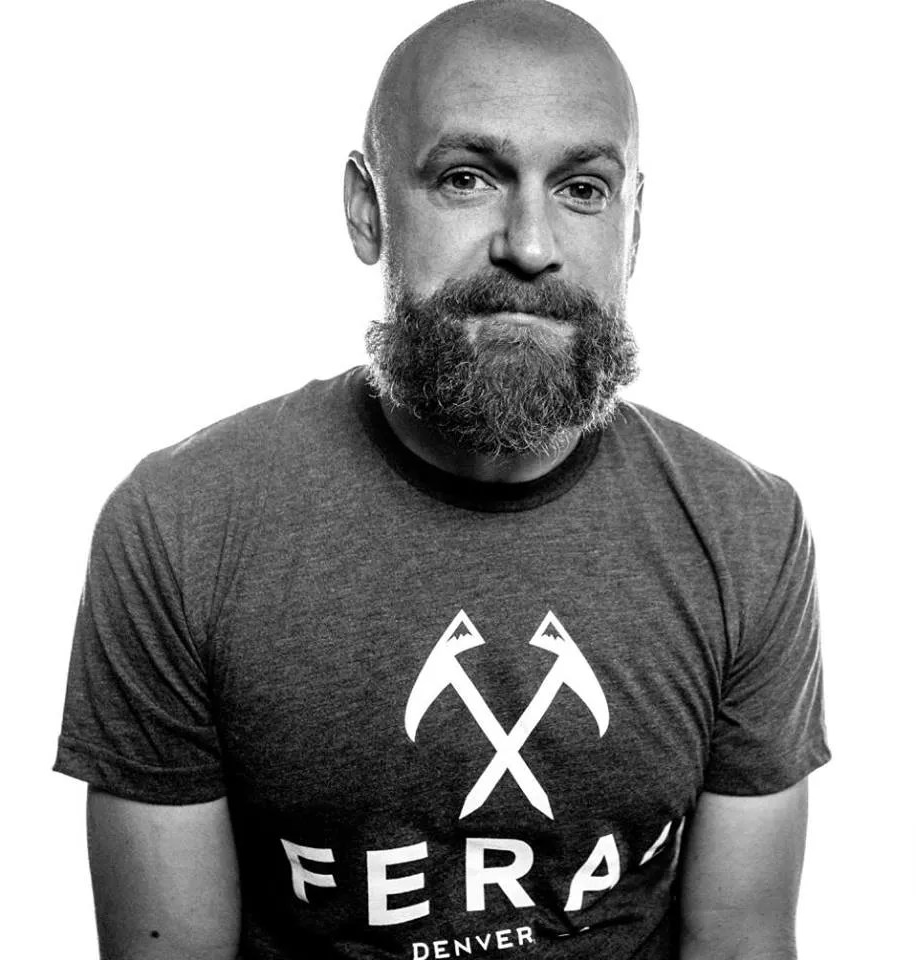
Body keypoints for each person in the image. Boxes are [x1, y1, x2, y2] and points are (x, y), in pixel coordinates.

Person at [53, 2, 830, 958]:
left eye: (583, 188)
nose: (530, 244)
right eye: (467, 178)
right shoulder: (179, 529)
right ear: (366, 209)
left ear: (635, 231)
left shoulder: (747, 531)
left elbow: (743, 941)